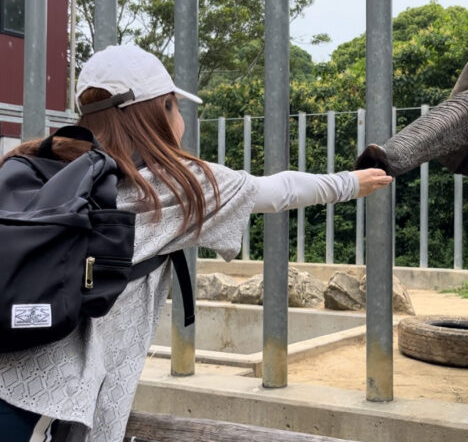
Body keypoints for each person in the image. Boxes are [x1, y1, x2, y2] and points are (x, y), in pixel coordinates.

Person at [0, 44, 392, 441]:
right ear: (160, 110)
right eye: (175, 105)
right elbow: (277, 191)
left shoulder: (40, 163)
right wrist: (351, 183)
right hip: (48, 408)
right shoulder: (173, 186)